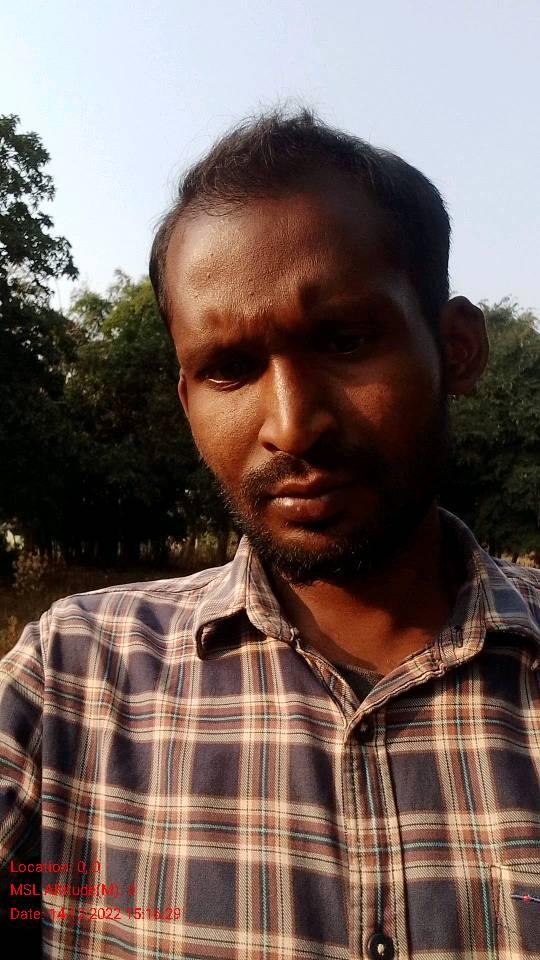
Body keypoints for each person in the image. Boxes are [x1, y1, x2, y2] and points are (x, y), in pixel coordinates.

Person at [1, 107, 539, 959]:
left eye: (346, 341)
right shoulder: (69, 679)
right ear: (188, 401)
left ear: (457, 349)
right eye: (229, 369)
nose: (291, 425)